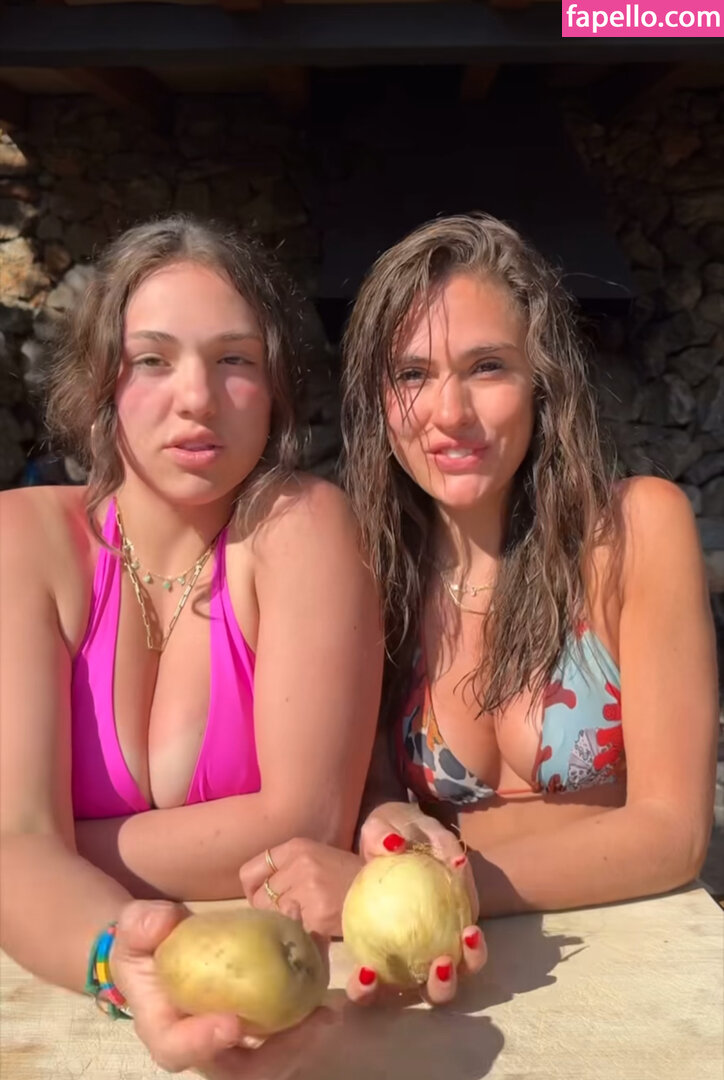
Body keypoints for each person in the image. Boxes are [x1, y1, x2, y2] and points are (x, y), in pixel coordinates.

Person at [240, 212, 718, 1004]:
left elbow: (674, 834)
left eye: (487, 366)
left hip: (641, 971)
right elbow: (374, 785)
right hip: (463, 975)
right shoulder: (370, 566)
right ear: (379, 398)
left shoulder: (633, 529)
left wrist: (445, 887)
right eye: (412, 374)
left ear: (542, 379)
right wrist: (389, 826)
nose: (449, 413)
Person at [0, 216, 382, 1071]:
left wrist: (45, 852)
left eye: (234, 359)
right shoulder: (20, 543)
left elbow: (303, 822)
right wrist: (119, 959)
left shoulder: (305, 528)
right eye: (152, 360)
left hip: (289, 1008)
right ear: (101, 380)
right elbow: (14, 836)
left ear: (275, 389)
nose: (197, 398)